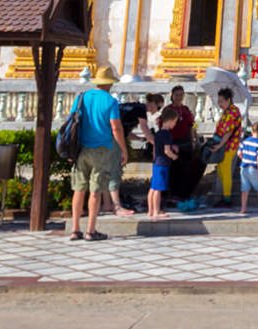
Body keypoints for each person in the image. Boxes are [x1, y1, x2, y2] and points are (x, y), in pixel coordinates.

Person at [66, 65, 134, 241]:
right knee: (95, 190)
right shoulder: (110, 102)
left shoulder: (82, 98)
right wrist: (123, 150)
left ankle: (75, 229)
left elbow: (72, 121)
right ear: (110, 83)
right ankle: (90, 230)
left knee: (79, 189)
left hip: (81, 148)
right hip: (102, 149)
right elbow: (116, 127)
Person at [209, 87, 243, 207]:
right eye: (219, 101)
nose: (219, 104)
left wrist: (219, 145)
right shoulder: (227, 112)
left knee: (226, 172)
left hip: (229, 146)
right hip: (223, 146)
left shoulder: (233, 111)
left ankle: (227, 199)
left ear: (228, 100)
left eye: (221, 101)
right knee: (222, 172)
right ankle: (224, 197)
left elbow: (228, 132)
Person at [148, 106, 181, 220]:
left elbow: (159, 147)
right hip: (163, 164)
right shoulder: (167, 134)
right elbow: (166, 151)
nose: (175, 125)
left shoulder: (158, 133)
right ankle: (157, 211)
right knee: (158, 189)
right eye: (175, 122)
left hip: (156, 162)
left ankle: (150, 210)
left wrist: (172, 146)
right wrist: (174, 156)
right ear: (170, 121)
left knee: (153, 188)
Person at [238, 123, 258, 214]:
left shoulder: (245, 141)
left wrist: (244, 159)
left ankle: (243, 208)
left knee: (244, 189)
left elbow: (239, 153)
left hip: (243, 168)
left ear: (252, 131)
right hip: (253, 168)